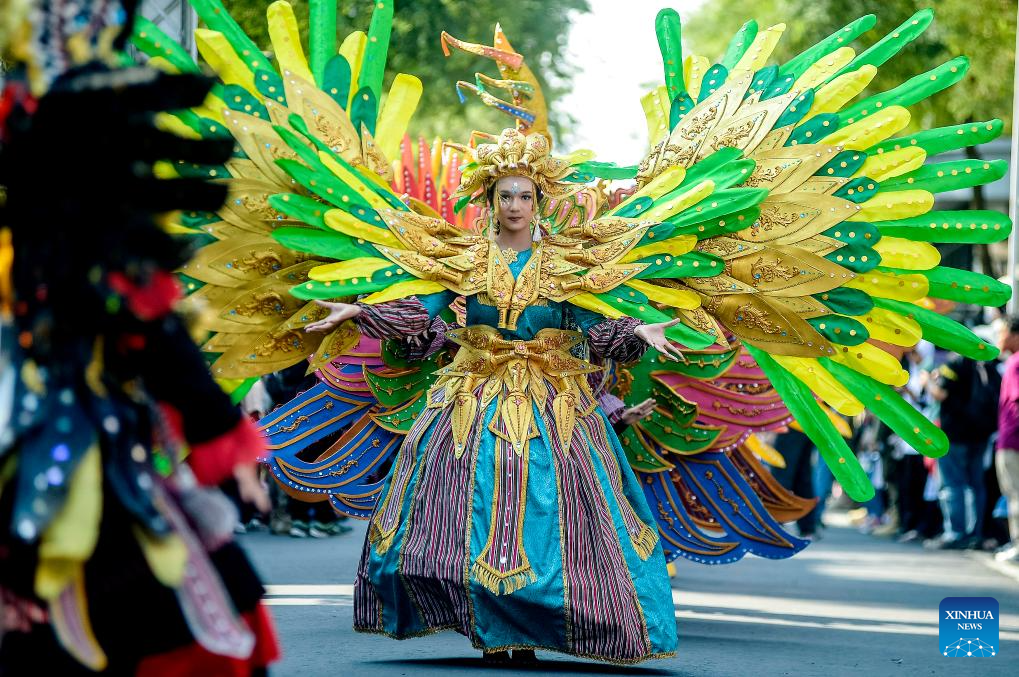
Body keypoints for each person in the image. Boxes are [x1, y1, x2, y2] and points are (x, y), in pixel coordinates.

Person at [306, 136, 681, 664]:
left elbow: (597, 325)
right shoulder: (466, 258)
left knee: (553, 508)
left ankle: (543, 615)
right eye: (505, 196)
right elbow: (423, 309)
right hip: (473, 391)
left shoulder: (567, 263)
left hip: (553, 398)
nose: (515, 207)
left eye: (525, 197)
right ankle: (486, 616)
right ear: (490, 201)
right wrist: (359, 313)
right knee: (463, 507)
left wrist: (639, 331)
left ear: (538, 202)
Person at [927, 352, 1001, 549]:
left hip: (955, 435)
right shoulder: (986, 364)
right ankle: (974, 533)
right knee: (976, 485)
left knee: (952, 484)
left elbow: (940, 393)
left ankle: (956, 533)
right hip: (980, 435)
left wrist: (927, 381)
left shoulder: (955, 363)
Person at [995, 315, 1019, 563]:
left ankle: (1018, 546)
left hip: (1012, 439)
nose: (999, 338)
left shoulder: (1015, 362)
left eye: (1002, 332)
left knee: (1015, 494)